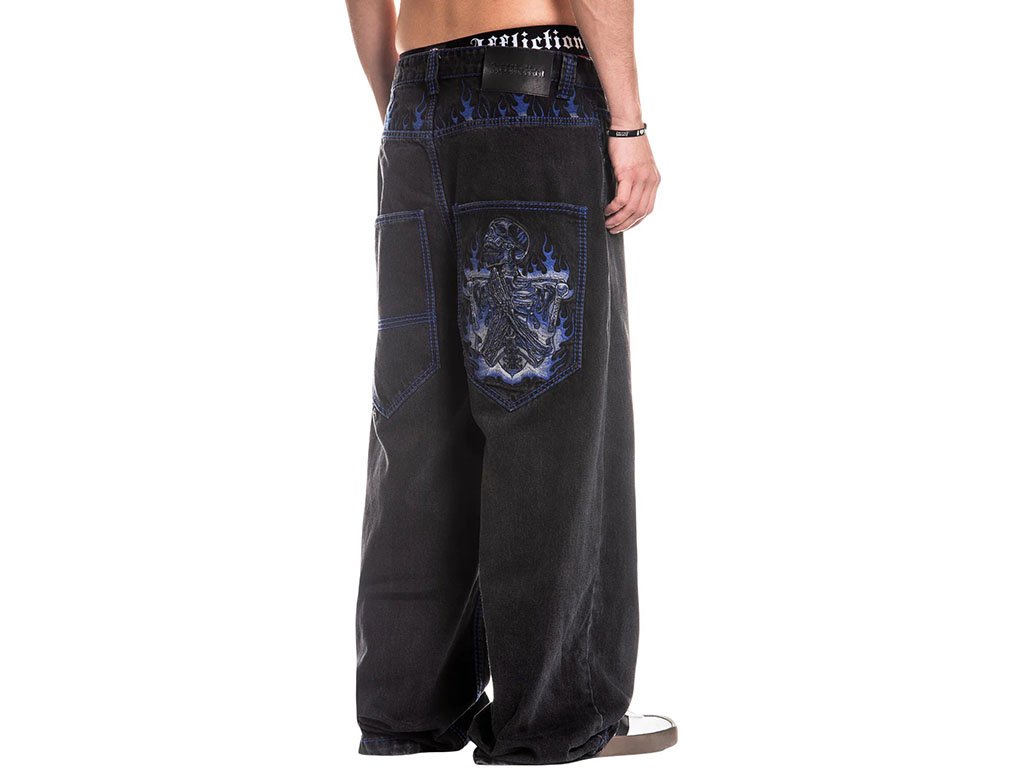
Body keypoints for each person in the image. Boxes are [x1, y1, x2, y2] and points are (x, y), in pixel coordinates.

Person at [345, 1, 672, 763]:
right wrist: (628, 128)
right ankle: (552, 719)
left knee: (421, 417)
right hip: (534, 90)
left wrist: (410, 101)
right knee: (549, 420)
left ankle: (409, 712)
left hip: (417, 99)